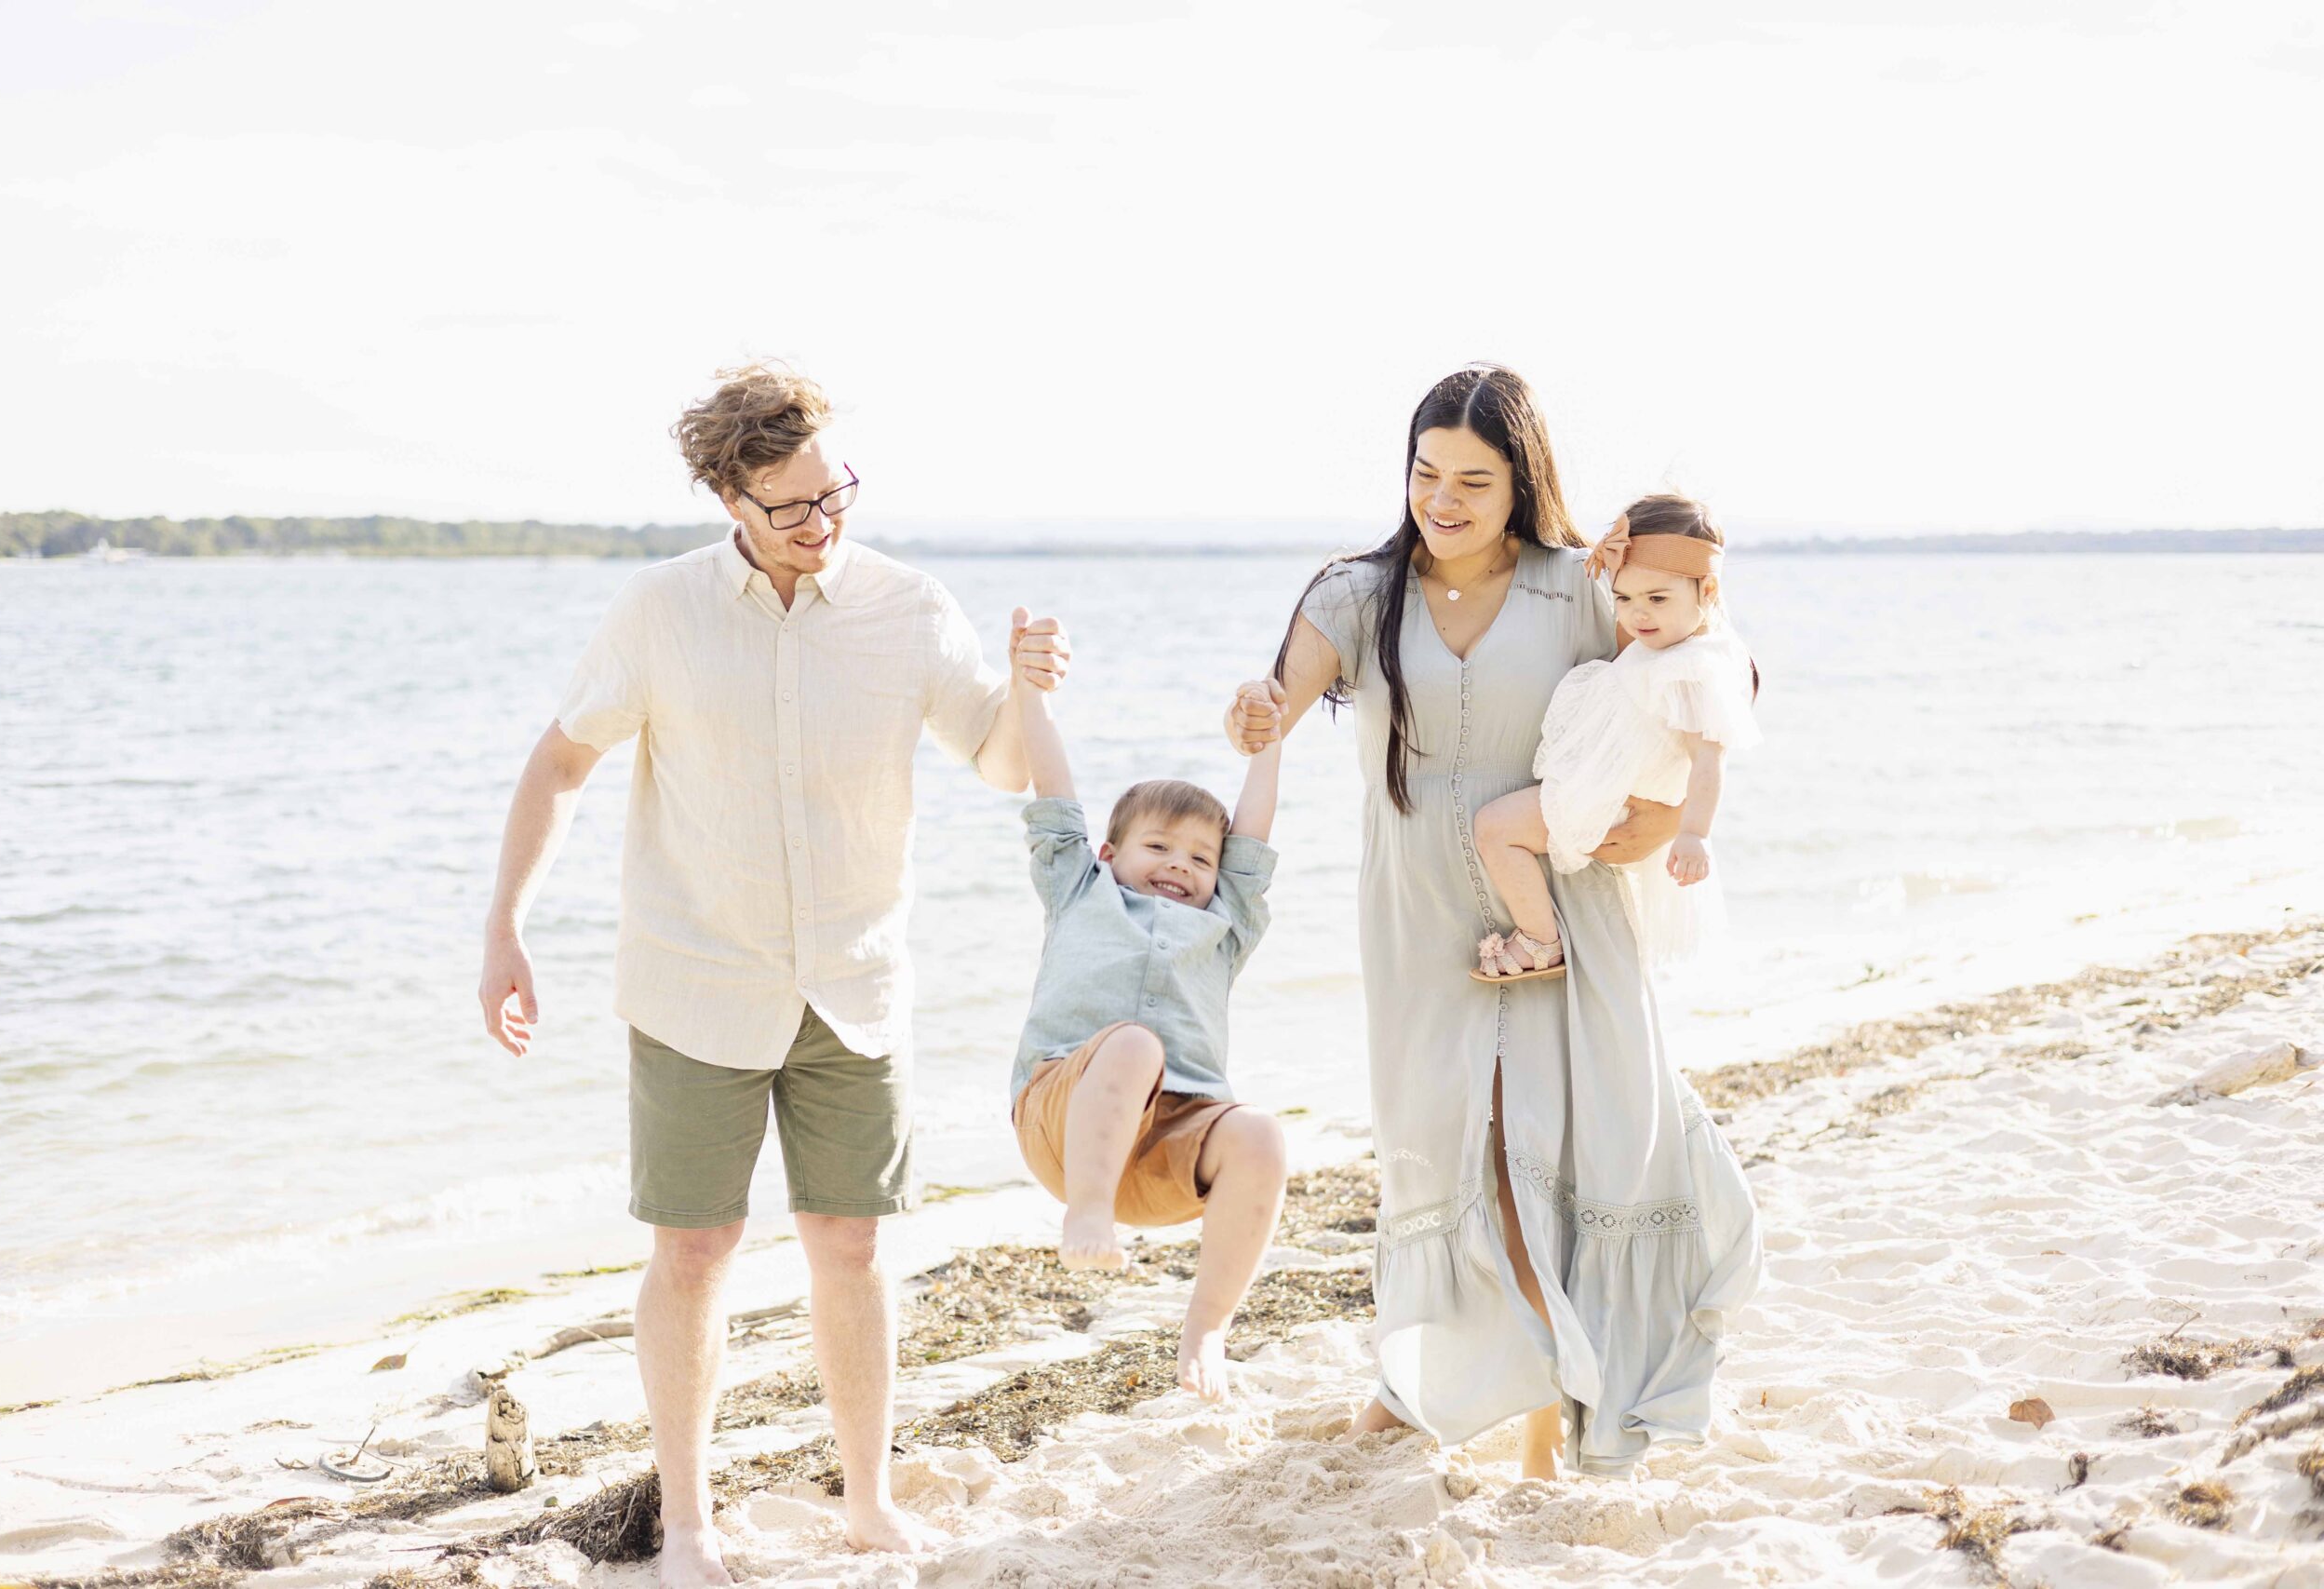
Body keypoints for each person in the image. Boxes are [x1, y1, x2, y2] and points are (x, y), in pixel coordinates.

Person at [475, 360, 1069, 1587]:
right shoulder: (660, 611)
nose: (823, 524)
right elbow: (561, 763)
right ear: (730, 498)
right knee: (693, 1252)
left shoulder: (907, 606)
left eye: (836, 493)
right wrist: (506, 926)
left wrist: (1034, 689)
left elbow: (1005, 763)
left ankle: (868, 1499)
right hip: (696, 981)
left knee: (850, 1246)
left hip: (857, 981)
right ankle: (688, 1520)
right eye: (793, 507)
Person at [1223, 365, 1760, 1477]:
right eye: (1427, 473)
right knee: (1442, 1144)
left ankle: (1548, 1404)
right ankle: (1415, 1374)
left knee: (1560, 1138)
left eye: (1474, 478)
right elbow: (1275, 700)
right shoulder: (1355, 591)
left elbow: (1715, 668)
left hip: (1566, 901)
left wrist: (1664, 815)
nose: (1445, 499)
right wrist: (1252, 713)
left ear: (1522, 484)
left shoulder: (1580, 585)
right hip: (1420, 912)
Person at [1006, 626, 1289, 1401]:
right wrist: (1029, 691)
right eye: (1159, 846)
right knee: (1133, 1044)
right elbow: (1053, 793)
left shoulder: (1224, 926)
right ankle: (1088, 1214)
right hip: (1066, 1125)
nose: (1180, 865)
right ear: (1107, 853)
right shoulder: (1077, 887)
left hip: (1170, 1148)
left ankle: (1207, 1327)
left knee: (1261, 1132)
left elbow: (1254, 841)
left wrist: (1268, 746)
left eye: (1200, 858)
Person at [1467, 493, 1761, 982]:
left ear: (1707, 591)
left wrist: (1693, 834)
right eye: (1624, 598)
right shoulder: (1663, 642)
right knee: (1499, 829)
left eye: (1657, 599)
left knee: (1494, 829)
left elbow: (1709, 759)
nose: (1638, 614)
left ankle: (1541, 941)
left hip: (1609, 801)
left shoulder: (1692, 670)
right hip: (1607, 789)